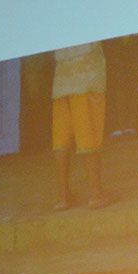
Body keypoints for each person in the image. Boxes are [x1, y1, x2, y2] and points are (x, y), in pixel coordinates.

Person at [50, 41, 116, 210]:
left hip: (61, 80)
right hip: (86, 77)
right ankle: (96, 195)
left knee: (61, 141)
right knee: (89, 136)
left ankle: (63, 197)